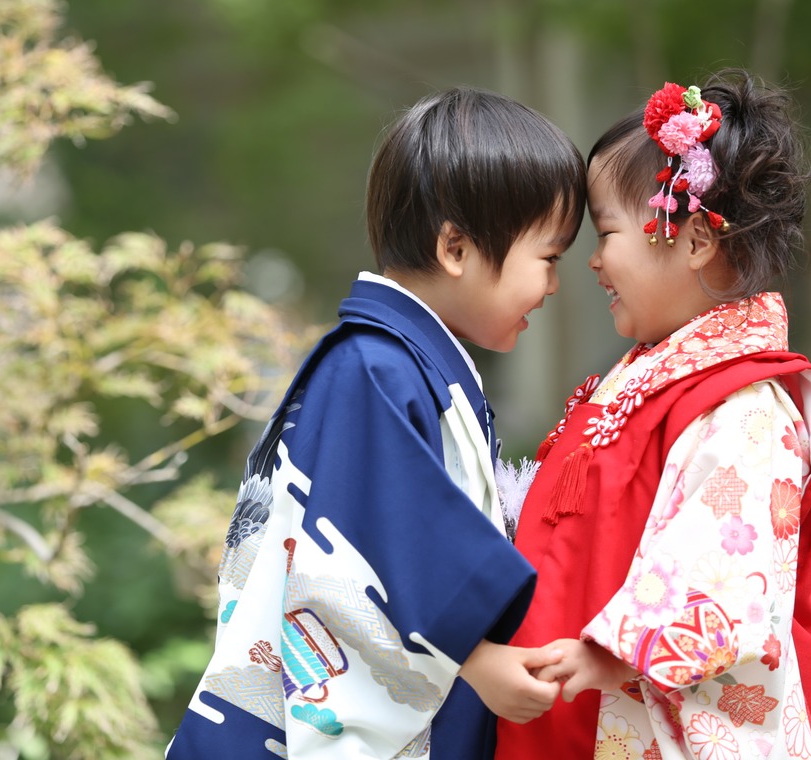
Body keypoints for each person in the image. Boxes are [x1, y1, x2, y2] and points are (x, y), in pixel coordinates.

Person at [165, 87, 586, 759]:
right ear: (455, 246)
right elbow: (377, 530)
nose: (555, 284)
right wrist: (475, 657)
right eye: (549, 257)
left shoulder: (399, 364)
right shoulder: (373, 367)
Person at [495, 70, 811, 759]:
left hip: (627, 714)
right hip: (564, 710)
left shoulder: (746, 403)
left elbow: (725, 572)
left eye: (605, 232)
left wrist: (612, 651)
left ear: (692, 241)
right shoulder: (649, 377)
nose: (592, 263)